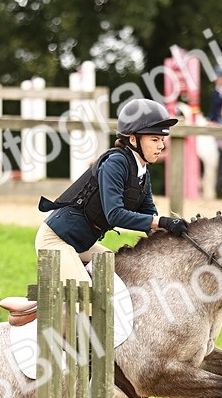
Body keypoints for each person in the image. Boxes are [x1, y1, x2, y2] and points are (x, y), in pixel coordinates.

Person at [35, 98, 188, 287]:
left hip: (82, 243)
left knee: (124, 275)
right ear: (133, 139)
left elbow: (150, 218)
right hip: (57, 241)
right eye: (155, 140)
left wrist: (180, 236)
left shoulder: (142, 173)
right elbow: (115, 215)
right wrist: (163, 221)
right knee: (87, 296)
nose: (161, 146)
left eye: (162, 140)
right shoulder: (116, 163)